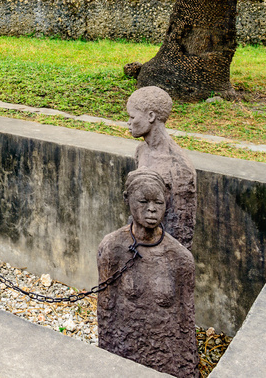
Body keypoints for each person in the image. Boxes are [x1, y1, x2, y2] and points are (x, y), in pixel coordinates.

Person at [97, 168, 198, 378]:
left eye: (158, 203)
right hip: (124, 352)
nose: (151, 209)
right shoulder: (112, 248)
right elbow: (106, 313)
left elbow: (186, 325)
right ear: (128, 199)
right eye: (143, 202)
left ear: (166, 203)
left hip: (166, 360)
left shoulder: (180, 258)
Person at [126, 86, 197, 249]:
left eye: (132, 117)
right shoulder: (141, 151)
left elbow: (181, 230)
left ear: (151, 116)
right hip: (138, 242)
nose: (128, 123)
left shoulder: (179, 167)